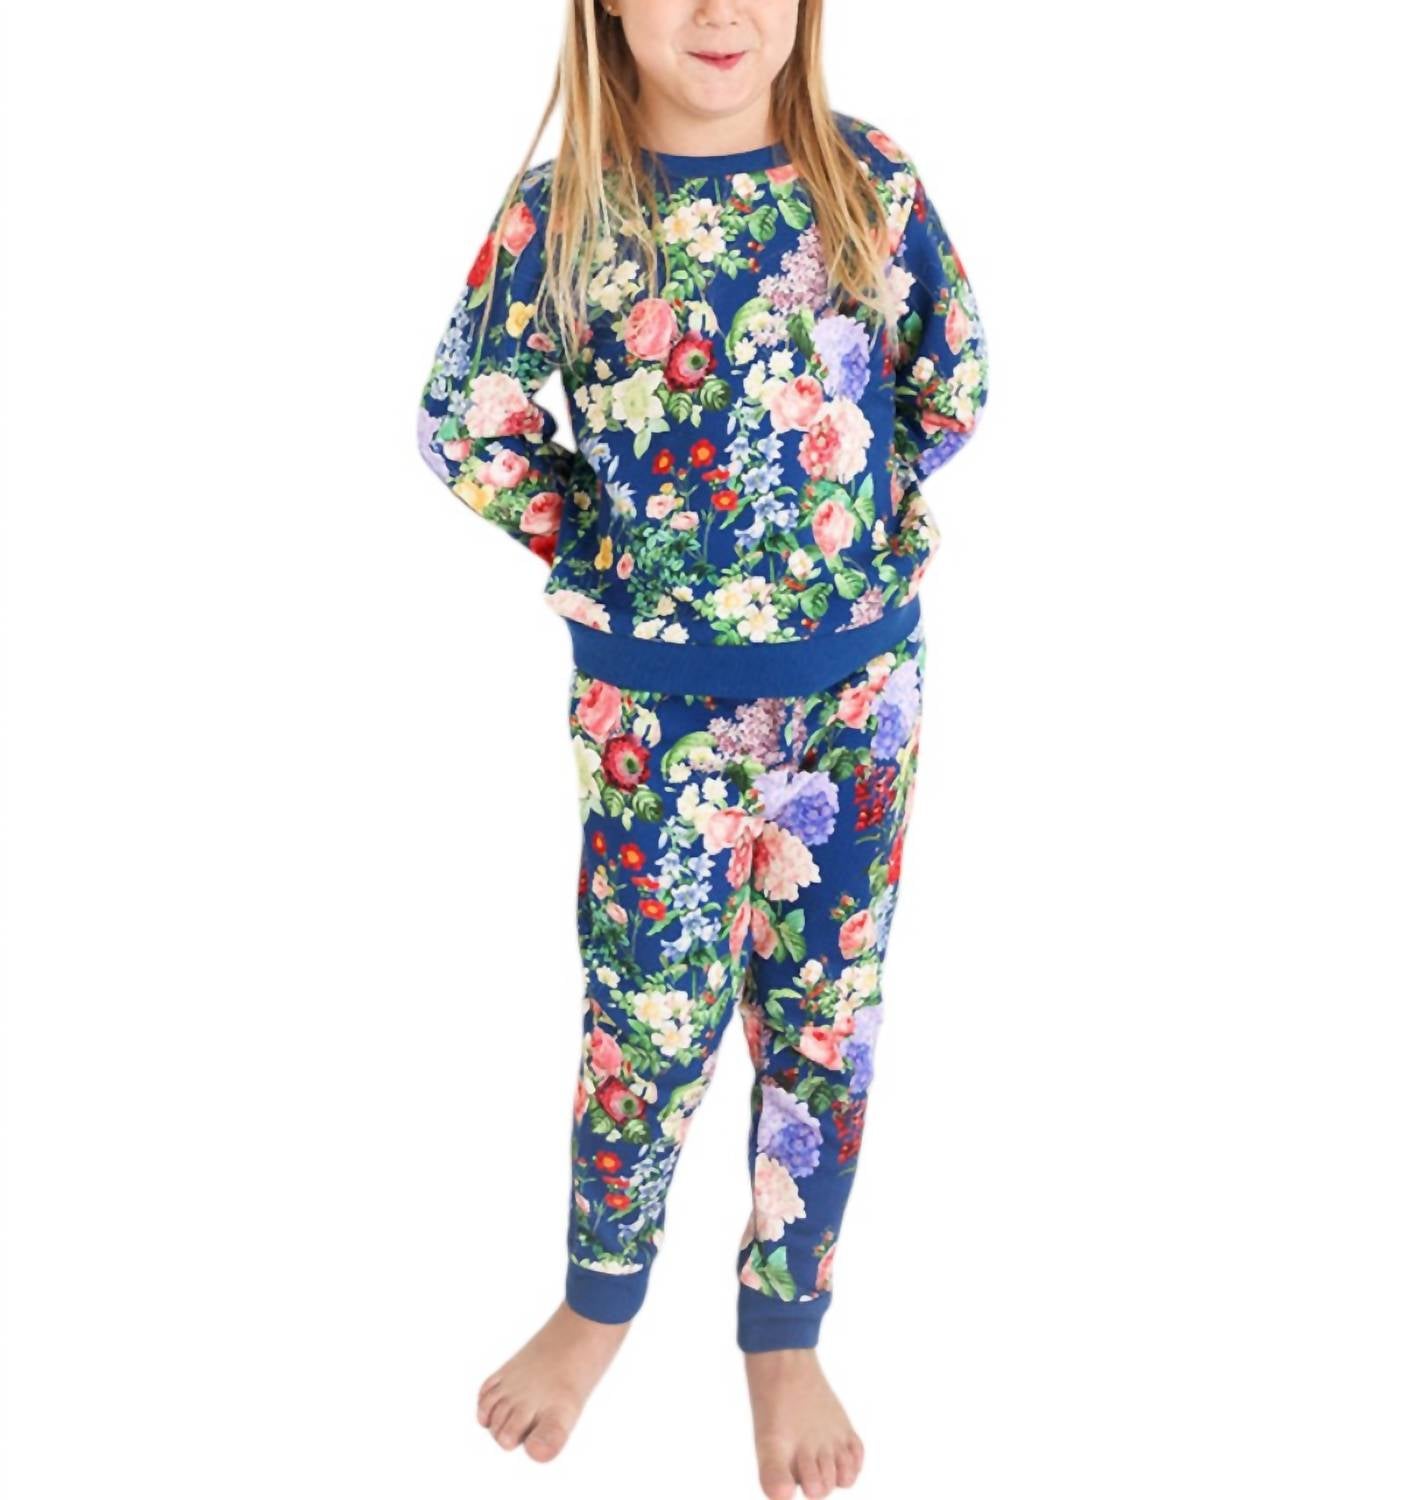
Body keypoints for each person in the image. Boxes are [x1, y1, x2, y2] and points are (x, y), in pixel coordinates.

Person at [415, 3, 989, 1495]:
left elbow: (953, 381)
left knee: (824, 1017)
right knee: (649, 1017)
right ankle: (600, 1303)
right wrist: (615, 551)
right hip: (654, 714)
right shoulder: (565, 214)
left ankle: (784, 1333)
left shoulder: (870, 182)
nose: (721, 11)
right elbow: (466, 423)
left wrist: (841, 526)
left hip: (856, 692)